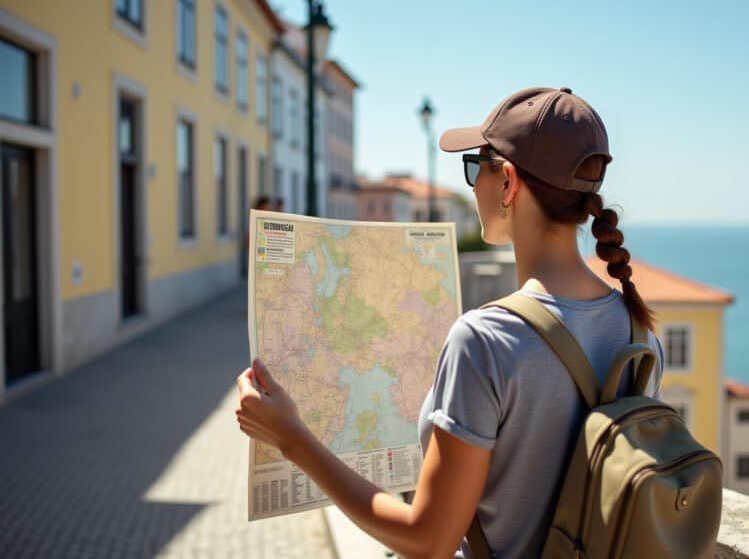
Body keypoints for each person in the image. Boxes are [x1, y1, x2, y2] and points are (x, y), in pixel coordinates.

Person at [236, 87, 665, 558]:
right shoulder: (638, 332)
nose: (473, 184)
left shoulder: (485, 340)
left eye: (474, 167)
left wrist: (291, 438)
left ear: (508, 183)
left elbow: (429, 540)